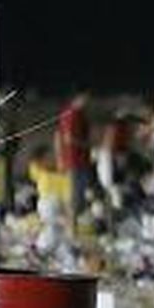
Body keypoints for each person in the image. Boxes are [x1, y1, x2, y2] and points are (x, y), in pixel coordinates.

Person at [54, 90, 95, 218]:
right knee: (74, 196)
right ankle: (72, 230)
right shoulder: (71, 114)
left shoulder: (80, 114)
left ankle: (78, 227)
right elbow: (67, 138)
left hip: (81, 160)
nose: (89, 101)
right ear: (79, 97)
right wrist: (87, 145)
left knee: (80, 195)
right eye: (87, 97)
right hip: (73, 161)